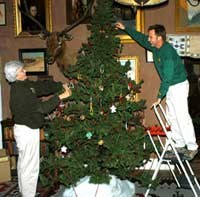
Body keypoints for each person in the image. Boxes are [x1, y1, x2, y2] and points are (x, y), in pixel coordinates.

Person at [115, 22, 198, 161]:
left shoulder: (167, 53)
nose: (149, 39)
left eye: (151, 37)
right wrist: (126, 28)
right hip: (171, 86)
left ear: (159, 38)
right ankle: (179, 144)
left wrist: (160, 96)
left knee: (182, 116)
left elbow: (167, 78)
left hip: (178, 85)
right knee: (172, 116)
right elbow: (141, 38)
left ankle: (192, 147)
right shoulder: (156, 48)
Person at [4, 60, 72, 197]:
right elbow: (42, 108)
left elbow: (40, 87)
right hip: (26, 131)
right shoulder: (20, 92)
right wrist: (60, 97)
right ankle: (28, 194)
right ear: (17, 75)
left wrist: (60, 85)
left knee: (24, 164)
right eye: (22, 71)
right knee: (30, 167)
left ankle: (25, 192)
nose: (26, 71)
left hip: (26, 129)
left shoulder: (24, 84)